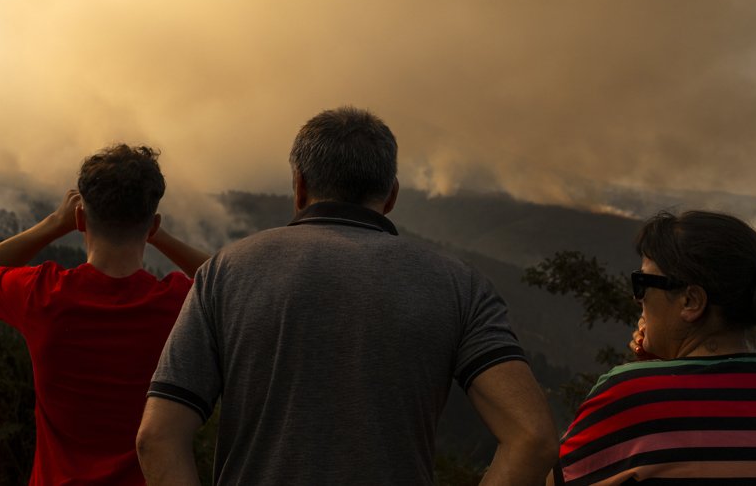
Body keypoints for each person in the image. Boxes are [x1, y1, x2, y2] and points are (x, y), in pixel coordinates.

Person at [136, 106, 558, 485]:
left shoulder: (224, 274)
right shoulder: (460, 285)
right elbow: (533, 436)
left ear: (299, 186)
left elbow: (157, 438)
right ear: (391, 195)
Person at [0, 144, 209, 486]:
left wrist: (55, 223)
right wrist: (158, 236)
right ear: (152, 224)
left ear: (80, 219)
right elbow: (231, 279)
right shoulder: (178, 302)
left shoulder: (42, 294)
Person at [552, 210, 756, 485]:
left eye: (642, 282)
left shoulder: (631, 395)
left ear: (691, 301)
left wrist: (647, 377)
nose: (637, 298)